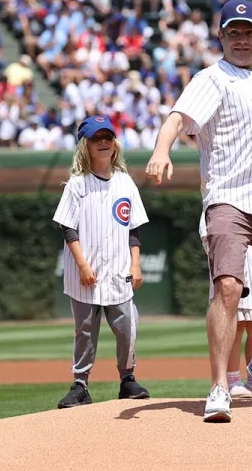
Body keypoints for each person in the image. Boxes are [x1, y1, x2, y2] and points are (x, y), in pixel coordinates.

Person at [145, 0, 252, 422]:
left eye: (248, 32)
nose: (241, 39)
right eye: (233, 32)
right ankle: (220, 386)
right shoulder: (211, 79)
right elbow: (177, 117)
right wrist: (161, 150)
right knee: (228, 288)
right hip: (228, 199)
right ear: (221, 37)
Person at [53, 115, 152, 409]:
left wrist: (135, 263)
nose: (104, 142)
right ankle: (80, 384)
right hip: (85, 271)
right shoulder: (77, 184)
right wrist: (83, 265)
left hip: (119, 271)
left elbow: (133, 228)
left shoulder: (125, 182)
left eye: (108, 136)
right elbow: (68, 228)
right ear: (86, 145)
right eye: (97, 138)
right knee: (85, 330)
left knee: (128, 326)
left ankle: (128, 379)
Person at [200, 214, 252, 400]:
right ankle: (232, 379)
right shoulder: (217, 203)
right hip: (230, 263)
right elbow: (208, 235)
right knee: (236, 323)